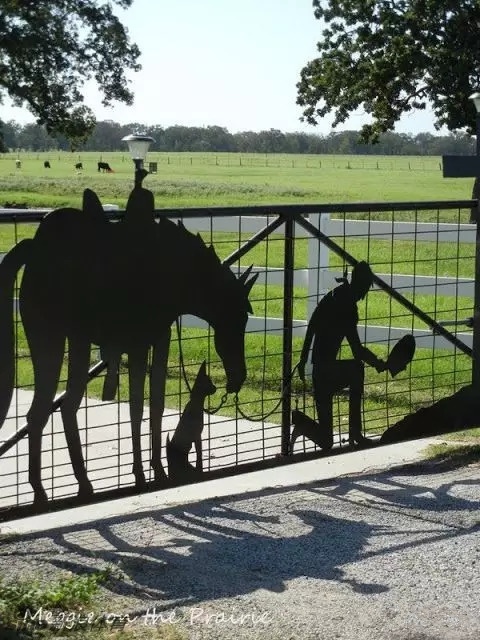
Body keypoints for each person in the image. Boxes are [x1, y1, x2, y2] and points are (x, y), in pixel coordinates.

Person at [296, 261, 386, 450]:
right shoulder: (348, 307)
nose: (364, 294)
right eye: (365, 288)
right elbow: (357, 350)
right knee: (357, 369)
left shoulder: (334, 295)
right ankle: (354, 432)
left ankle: (302, 422)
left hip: (320, 371)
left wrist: (304, 359)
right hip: (325, 374)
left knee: (326, 441)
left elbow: (312, 324)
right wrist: (378, 363)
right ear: (361, 285)